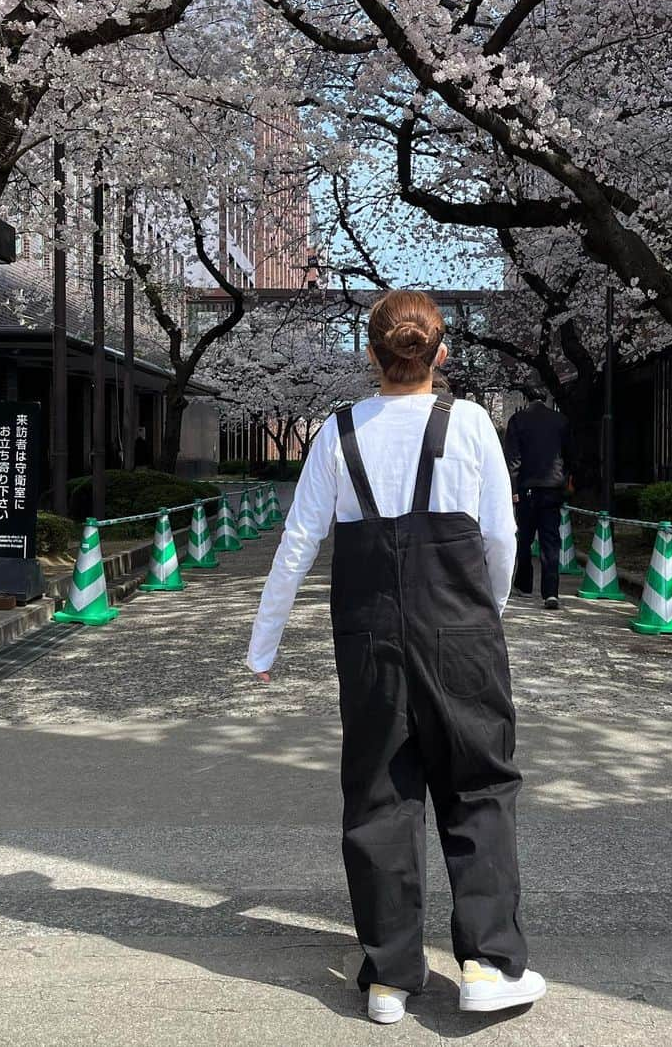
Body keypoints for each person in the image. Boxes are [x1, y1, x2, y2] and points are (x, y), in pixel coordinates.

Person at [246, 290, 546, 1024]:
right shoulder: (471, 423)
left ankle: (388, 978)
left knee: (379, 794)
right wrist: (488, 612)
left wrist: (264, 643)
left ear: (372, 355)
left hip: (369, 637)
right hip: (463, 633)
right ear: (440, 353)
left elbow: (297, 544)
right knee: (477, 785)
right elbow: (500, 539)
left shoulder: (337, 431)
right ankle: (485, 963)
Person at [504, 390, 575, 610]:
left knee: (524, 538)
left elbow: (513, 458)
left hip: (527, 488)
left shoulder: (518, 420)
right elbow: (570, 454)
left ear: (525, 399)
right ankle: (551, 592)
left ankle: (524, 585)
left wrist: (513, 488)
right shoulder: (561, 420)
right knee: (550, 541)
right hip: (552, 488)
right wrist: (564, 481)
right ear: (546, 399)